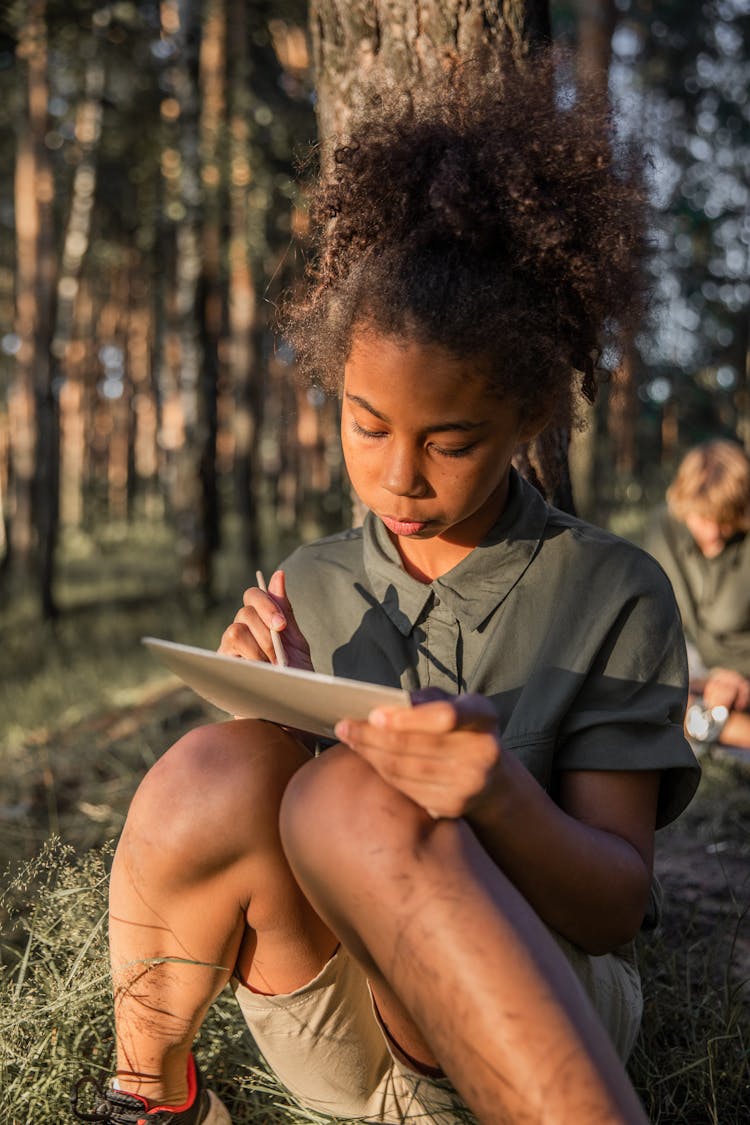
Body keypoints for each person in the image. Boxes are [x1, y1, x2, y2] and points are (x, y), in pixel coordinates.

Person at [73, 56, 700, 1125]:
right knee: (220, 765)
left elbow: (612, 905)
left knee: (352, 795)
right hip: (342, 1026)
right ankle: (155, 1098)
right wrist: (270, 715)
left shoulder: (613, 591)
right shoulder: (313, 578)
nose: (401, 478)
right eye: (369, 427)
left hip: (527, 1024)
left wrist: (492, 791)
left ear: (529, 419)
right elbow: (281, 826)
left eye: (450, 443)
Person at [646, 439, 750, 752]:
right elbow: (653, 616)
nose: (714, 532)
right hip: (692, 662)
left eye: (725, 520)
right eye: (703, 518)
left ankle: (702, 725)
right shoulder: (664, 526)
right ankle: (719, 726)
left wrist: (737, 676)